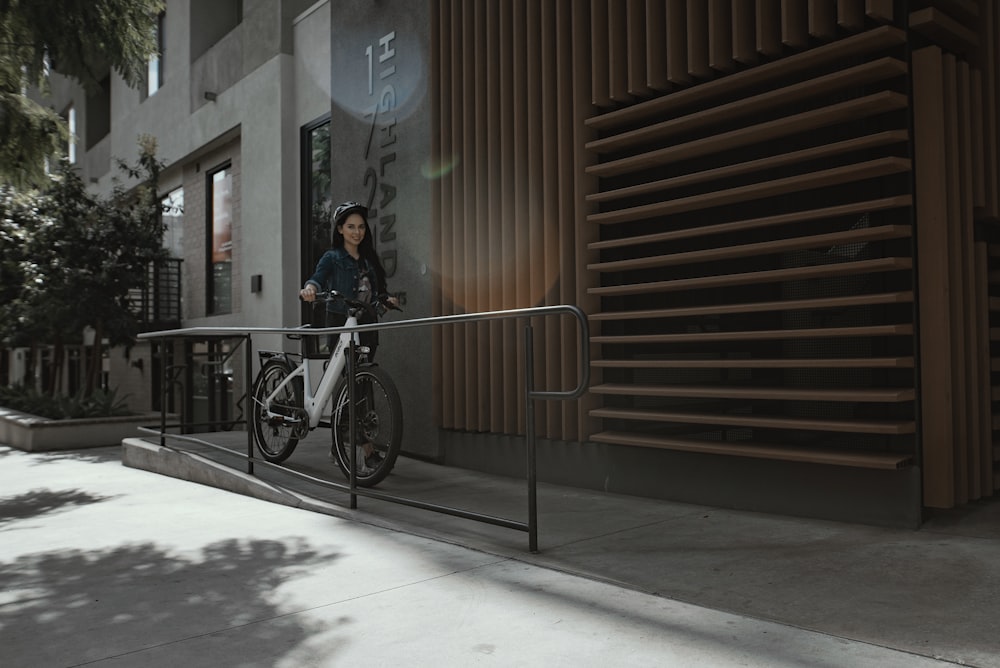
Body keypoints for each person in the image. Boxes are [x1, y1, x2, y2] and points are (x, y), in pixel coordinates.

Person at [300, 201, 398, 358]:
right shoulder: (331, 258)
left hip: (367, 325)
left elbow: (377, 292)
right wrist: (310, 290)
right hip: (340, 323)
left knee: (366, 374)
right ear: (340, 229)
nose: (357, 232)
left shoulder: (369, 260)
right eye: (351, 226)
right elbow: (317, 279)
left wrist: (387, 300)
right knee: (347, 375)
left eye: (361, 227)